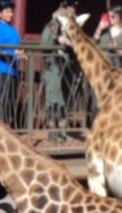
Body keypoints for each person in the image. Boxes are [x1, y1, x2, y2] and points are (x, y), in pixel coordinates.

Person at [41, 0, 76, 143]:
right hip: (53, 68)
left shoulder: (70, 29)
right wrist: (57, 40)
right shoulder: (50, 28)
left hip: (66, 68)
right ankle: (52, 132)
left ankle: (63, 132)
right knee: (53, 100)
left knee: (64, 101)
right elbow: (44, 44)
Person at [0, 0, 24, 125]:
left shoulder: (13, 30)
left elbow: (17, 47)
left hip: (12, 71)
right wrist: (14, 52)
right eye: (7, 11)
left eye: (12, 11)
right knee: (0, 103)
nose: (11, 14)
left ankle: (6, 128)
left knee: (10, 102)